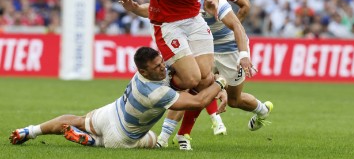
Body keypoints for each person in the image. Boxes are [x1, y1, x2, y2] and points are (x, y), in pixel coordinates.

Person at [119, 0, 273, 150]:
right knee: (193, 82)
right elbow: (155, 10)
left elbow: (237, 25)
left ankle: (262, 110)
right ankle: (170, 137)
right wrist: (135, 8)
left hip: (230, 49)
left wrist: (243, 55)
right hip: (205, 45)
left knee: (234, 100)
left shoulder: (215, 0)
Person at [9, 47, 228, 148]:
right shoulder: (156, 92)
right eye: (157, 67)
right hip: (123, 137)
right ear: (143, 71)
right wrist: (220, 83)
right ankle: (94, 141)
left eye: (162, 63)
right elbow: (198, 101)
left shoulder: (142, 73)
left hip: (110, 113)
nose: (163, 69)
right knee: (153, 141)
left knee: (75, 119)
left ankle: (30, 130)